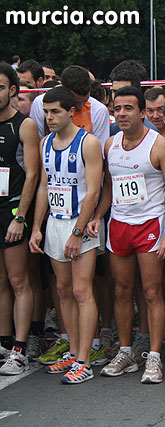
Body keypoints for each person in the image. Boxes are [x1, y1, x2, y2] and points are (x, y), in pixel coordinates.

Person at [94, 86, 165, 384]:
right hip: (119, 225)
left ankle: (154, 357)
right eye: (117, 108)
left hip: (150, 225)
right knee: (121, 290)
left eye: (128, 108)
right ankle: (126, 351)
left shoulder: (158, 146)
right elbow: (109, 187)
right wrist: (97, 217)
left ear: (142, 113)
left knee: (152, 291)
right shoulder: (110, 145)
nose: (121, 113)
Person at [28, 86, 104, 384]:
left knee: (81, 290)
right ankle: (73, 352)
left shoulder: (89, 143)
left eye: (55, 111)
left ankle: (85, 359)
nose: (49, 117)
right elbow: (45, 187)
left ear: (71, 111)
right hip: (55, 224)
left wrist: (77, 231)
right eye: (46, 112)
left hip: (79, 224)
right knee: (62, 290)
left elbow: (94, 191)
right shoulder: (46, 143)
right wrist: (36, 226)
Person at [0, 62, 39, 376]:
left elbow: (32, 175)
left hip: (12, 211)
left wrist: (20, 217)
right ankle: (3, 342)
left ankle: (20, 349)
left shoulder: (23, 125)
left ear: (13, 90)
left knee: (18, 281)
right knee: (0, 283)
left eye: (1, 87)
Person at [30, 66, 110, 146]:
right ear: (62, 88)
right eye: (75, 102)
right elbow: (37, 144)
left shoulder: (99, 110)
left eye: (85, 101)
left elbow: (99, 150)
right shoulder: (40, 103)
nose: (80, 107)